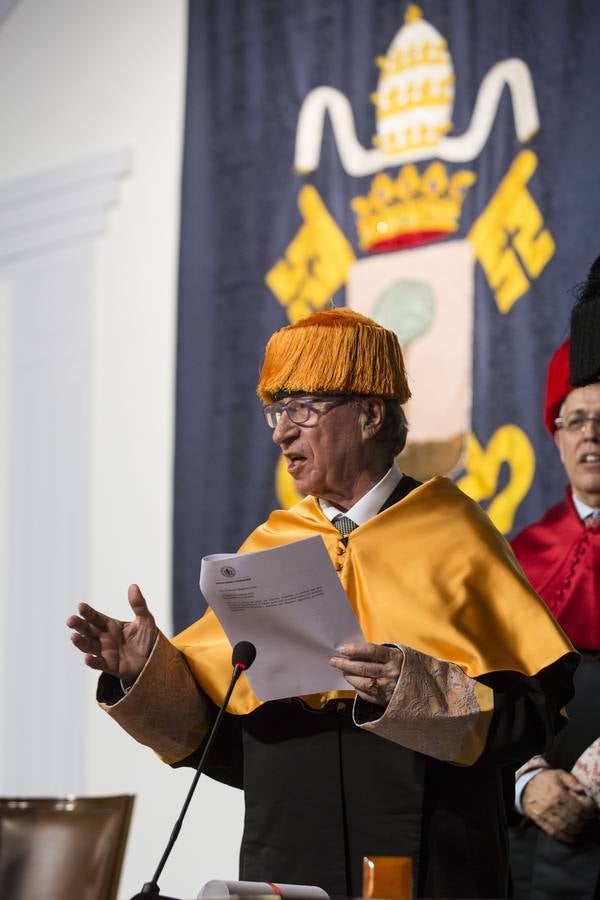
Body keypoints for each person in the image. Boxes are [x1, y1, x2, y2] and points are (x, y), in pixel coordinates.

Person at [68, 308, 576, 899]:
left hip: (432, 863)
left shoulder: (454, 531)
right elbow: (224, 743)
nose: (282, 432)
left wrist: (412, 689)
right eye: (275, 413)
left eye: (302, 408)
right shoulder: (269, 545)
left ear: (370, 413)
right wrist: (145, 673)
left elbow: (531, 717)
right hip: (287, 861)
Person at [510, 337, 600, 900]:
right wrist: (523, 779)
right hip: (533, 841)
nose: (592, 433)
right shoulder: (515, 556)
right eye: (577, 419)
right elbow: (480, 693)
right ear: (557, 435)